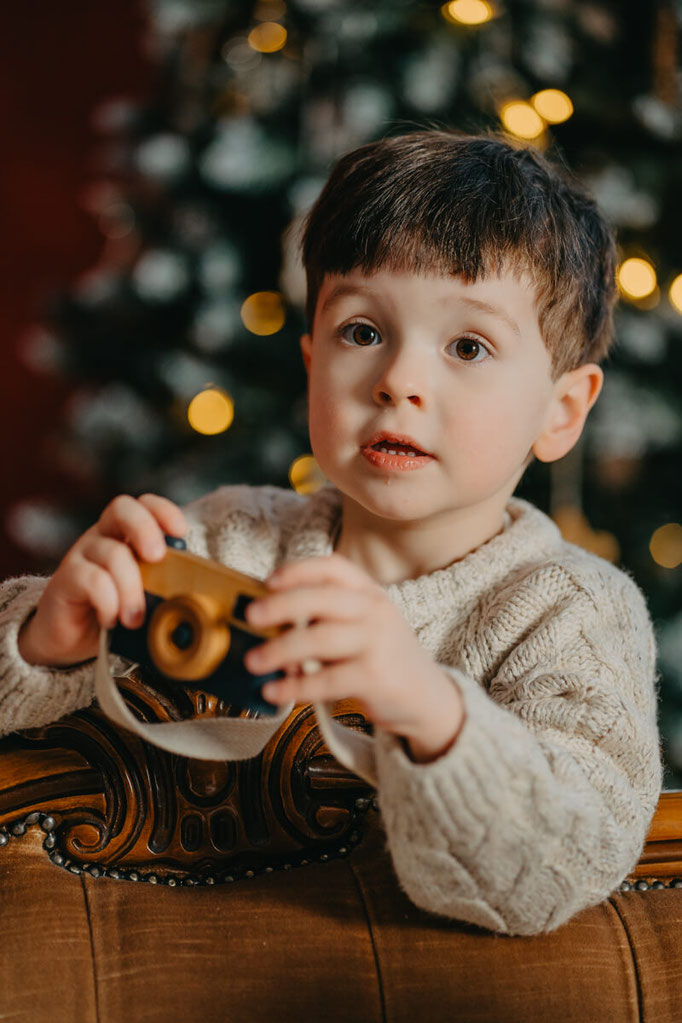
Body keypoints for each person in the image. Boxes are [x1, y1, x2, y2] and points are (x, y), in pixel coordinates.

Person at [0, 130, 661, 936]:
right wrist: (44, 642)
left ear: (561, 410)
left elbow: (565, 869)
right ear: (312, 359)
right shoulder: (226, 539)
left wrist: (429, 711)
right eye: (362, 331)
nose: (399, 382)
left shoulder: (574, 615)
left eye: (468, 345)